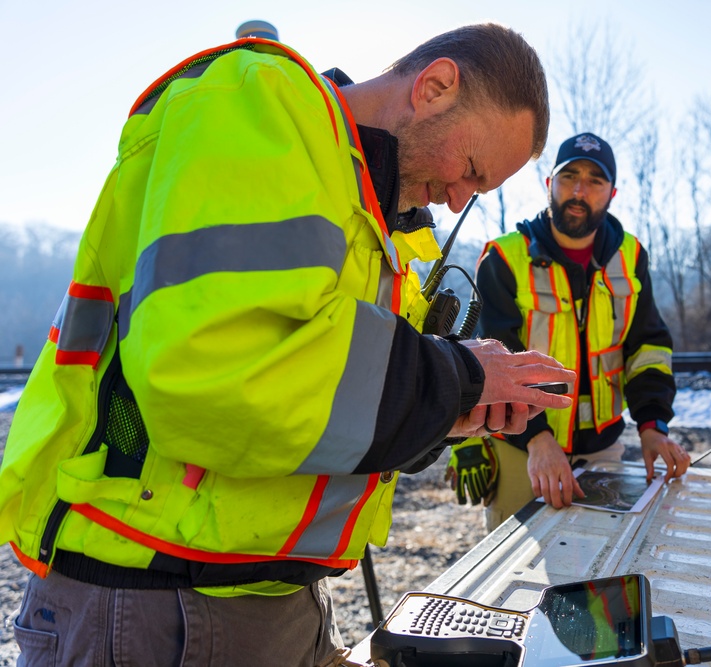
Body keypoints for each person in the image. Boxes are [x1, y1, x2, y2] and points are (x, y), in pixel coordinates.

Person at [0, 24, 576, 666]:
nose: (459, 196)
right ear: (435, 87)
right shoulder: (259, 105)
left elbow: (319, 404)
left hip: (257, 597)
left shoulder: (372, 218)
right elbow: (226, 372)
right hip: (159, 607)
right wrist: (457, 376)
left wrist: (445, 414)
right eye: (470, 169)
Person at [446, 132, 689, 532]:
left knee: (600, 572)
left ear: (612, 193)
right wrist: (538, 439)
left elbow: (648, 347)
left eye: (595, 181)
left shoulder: (632, 257)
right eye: (569, 176)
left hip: (605, 449)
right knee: (517, 570)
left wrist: (652, 426)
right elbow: (493, 360)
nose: (579, 190)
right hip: (521, 446)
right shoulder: (504, 257)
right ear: (549, 185)